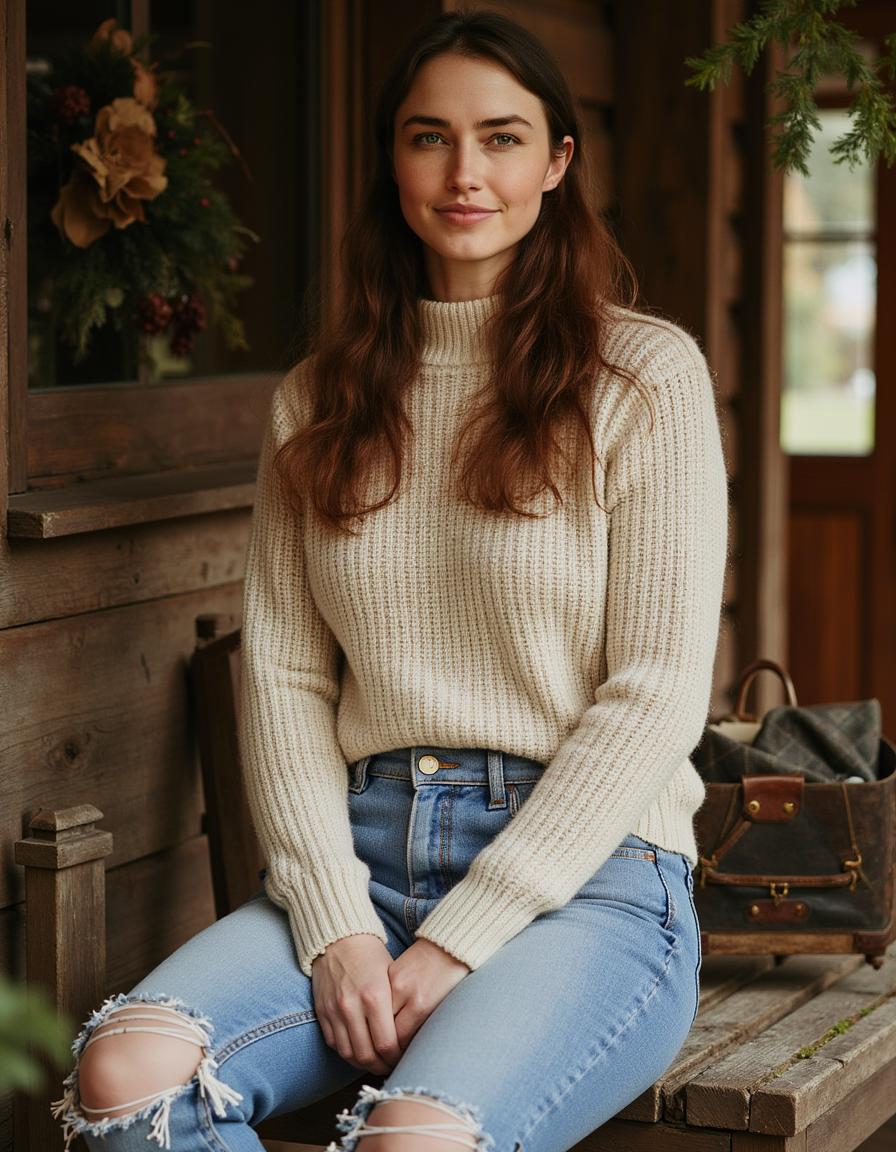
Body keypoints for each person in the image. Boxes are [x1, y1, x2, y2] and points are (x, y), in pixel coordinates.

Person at [52, 9, 728, 1152]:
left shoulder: (640, 377)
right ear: (392, 158)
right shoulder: (314, 401)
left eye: (502, 138)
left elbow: (657, 689)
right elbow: (279, 678)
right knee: (125, 1076)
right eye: (429, 137)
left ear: (557, 162)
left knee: (407, 1141)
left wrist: (463, 932)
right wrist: (332, 924)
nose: (465, 173)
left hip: (591, 878)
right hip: (359, 853)